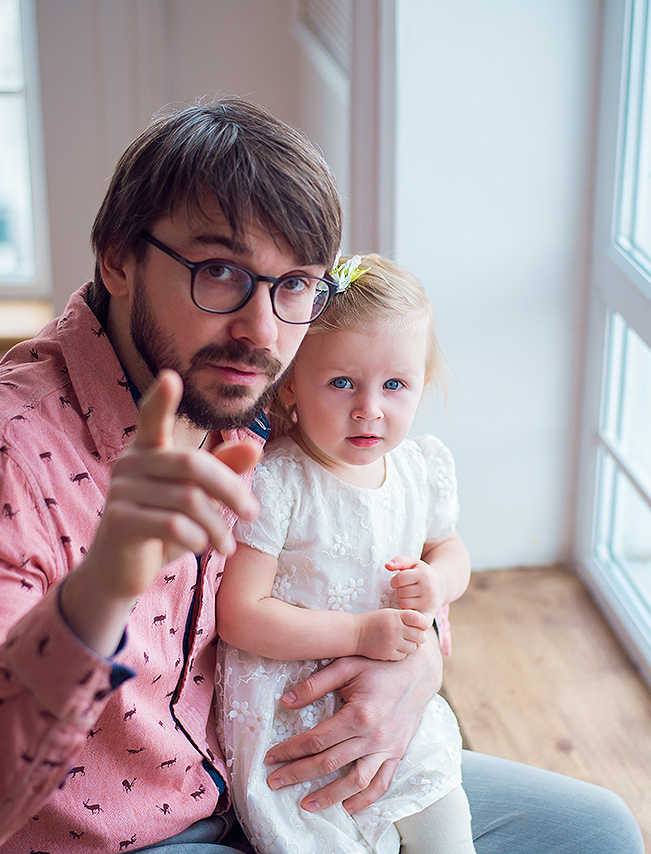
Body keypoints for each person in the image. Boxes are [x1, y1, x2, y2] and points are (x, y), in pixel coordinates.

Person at [0, 96, 644, 854]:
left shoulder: (268, 392)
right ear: (119, 258)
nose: (261, 330)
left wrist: (417, 661)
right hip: (123, 839)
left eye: (294, 283)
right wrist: (99, 589)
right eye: (219, 272)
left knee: (595, 833)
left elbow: (381, 537)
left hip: (272, 768)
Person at [215, 256, 474, 854]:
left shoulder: (419, 468)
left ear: (423, 383)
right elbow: (240, 614)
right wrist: (357, 632)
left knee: (443, 822)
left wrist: (439, 582)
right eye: (341, 383)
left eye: (395, 385)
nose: (369, 408)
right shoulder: (280, 481)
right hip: (296, 711)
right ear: (289, 384)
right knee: (327, 829)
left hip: (399, 699)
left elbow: (450, 546)